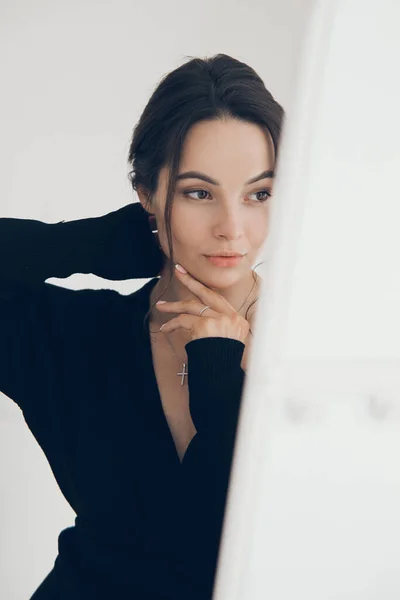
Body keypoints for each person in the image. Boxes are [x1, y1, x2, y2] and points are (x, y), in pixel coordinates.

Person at [0, 53, 284, 599]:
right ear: (148, 197)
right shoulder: (78, 340)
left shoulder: (317, 361)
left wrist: (222, 384)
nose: (232, 228)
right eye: (198, 192)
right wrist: (93, 243)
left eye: (259, 193)